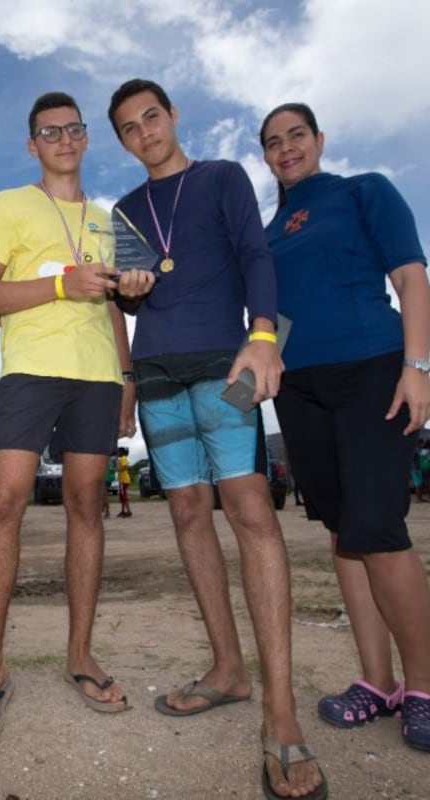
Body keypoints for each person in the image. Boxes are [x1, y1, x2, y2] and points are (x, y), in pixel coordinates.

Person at [109, 79, 327, 800]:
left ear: (173, 117)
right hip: (159, 373)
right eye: (129, 127)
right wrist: (129, 290)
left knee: (252, 511)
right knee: (184, 513)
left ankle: (282, 714)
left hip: (227, 363)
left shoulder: (224, 178)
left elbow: (255, 258)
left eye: (152, 117)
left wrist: (263, 336)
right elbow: (130, 294)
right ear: (122, 141)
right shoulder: (124, 210)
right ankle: (229, 670)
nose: (144, 132)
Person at [260, 103, 430, 756]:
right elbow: (273, 323)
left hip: (373, 369)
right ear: (265, 157)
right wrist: (244, 396)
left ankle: (424, 690)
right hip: (300, 389)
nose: (286, 149)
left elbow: (411, 279)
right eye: (272, 143)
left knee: (379, 528)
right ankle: (376, 682)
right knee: (344, 533)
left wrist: (418, 366)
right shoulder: (268, 232)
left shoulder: (363, 190)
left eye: (296, 136)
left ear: (319, 141)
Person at [0, 91, 149, 747]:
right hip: (31, 369)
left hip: (97, 374)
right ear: (32, 144)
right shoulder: (9, 205)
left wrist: (127, 380)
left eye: (72, 129)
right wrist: (63, 285)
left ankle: (80, 655)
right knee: (3, 502)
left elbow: (118, 306)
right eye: (48, 131)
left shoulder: (109, 218)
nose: (62, 139)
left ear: (86, 138)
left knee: (87, 506)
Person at [115, 447, 132, 517]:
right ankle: (123, 511)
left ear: (121, 452)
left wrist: (118, 469)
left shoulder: (123, 458)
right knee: (122, 496)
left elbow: (125, 467)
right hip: (122, 480)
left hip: (123, 480)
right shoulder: (121, 459)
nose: (117, 453)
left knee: (124, 496)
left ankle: (128, 511)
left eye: (118, 452)